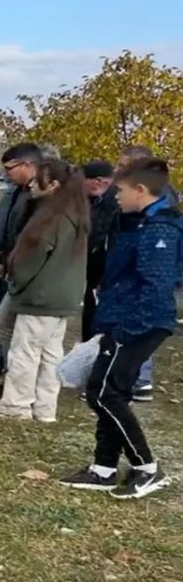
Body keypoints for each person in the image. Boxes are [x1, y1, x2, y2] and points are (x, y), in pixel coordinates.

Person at [59, 158, 181, 498]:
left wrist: (127, 329)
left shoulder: (160, 229)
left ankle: (147, 467)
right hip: (117, 317)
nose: (116, 196)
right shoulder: (135, 222)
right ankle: (103, 468)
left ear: (141, 190)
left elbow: (155, 285)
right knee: (112, 392)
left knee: (103, 392)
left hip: (138, 324)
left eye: (122, 190)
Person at [0, 160, 88, 422]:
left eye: (37, 180)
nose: (31, 184)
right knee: (50, 353)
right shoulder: (76, 211)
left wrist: (16, 280)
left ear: (53, 185)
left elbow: (30, 258)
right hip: (63, 295)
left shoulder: (50, 217)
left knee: (26, 351)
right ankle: (45, 409)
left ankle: (16, 406)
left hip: (41, 294)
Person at [113, 145, 179, 402]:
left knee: (142, 317)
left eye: (122, 165)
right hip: (136, 273)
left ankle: (139, 379)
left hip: (146, 275)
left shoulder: (158, 206)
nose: (117, 169)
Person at [0, 143, 44, 355]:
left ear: (28, 164)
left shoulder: (42, 195)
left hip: (33, 276)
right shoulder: (17, 192)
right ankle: (14, 369)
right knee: (4, 324)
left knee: (15, 330)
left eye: (10, 168)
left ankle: (20, 375)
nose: (6, 174)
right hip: (15, 269)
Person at [82, 160, 118, 343]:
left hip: (106, 267)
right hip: (92, 266)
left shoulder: (114, 203)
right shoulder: (93, 200)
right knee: (90, 309)